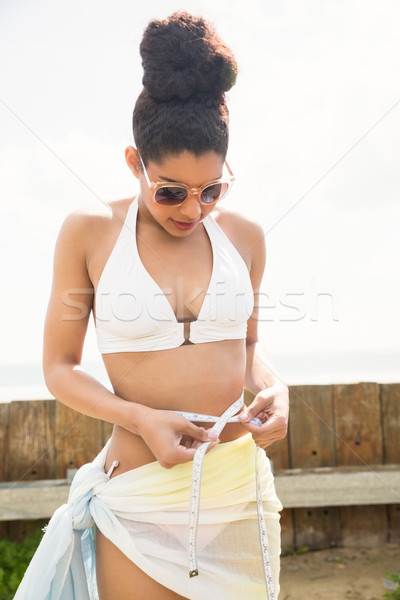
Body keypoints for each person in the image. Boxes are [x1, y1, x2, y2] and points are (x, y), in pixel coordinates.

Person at [14, 11, 289, 600]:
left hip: (236, 489)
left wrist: (276, 389)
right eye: (170, 191)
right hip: (142, 488)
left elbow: (245, 349)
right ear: (135, 163)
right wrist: (140, 418)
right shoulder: (89, 233)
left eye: (211, 190)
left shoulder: (246, 237)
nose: (192, 210)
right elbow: (59, 368)